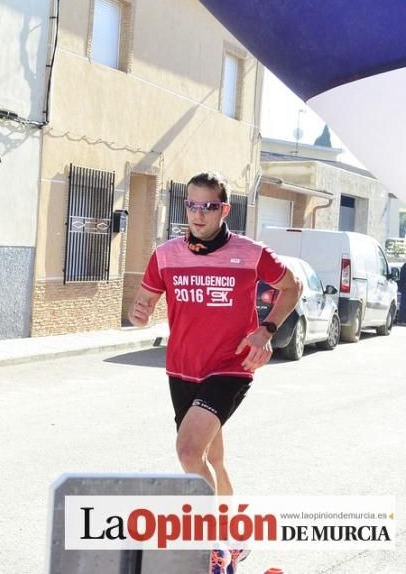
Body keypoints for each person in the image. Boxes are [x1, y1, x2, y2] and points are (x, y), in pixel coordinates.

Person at [129, 172, 302, 570]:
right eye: (191, 204)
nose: (199, 214)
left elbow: (292, 287)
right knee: (213, 460)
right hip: (182, 369)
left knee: (189, 452)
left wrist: (266, 329)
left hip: (231, 366)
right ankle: (238, 536)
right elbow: (143, 305)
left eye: (208, 206)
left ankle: (216, 543)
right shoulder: (166, 255)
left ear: (223, 209)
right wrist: (138, 315)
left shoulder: (251, 253)